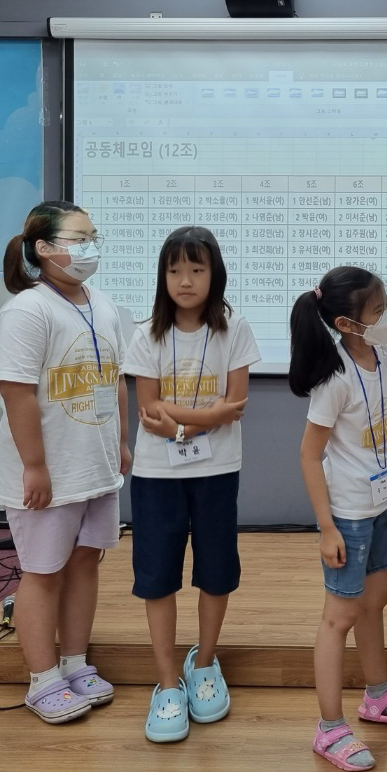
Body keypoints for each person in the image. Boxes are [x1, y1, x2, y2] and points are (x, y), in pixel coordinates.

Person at [0, 200, 129, 724]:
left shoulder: (104, 304)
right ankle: (42, 678)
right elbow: (16, 392)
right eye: (78, 238)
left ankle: (74, 662)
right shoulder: (28, 309)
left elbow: (116, 379)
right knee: (43, 572)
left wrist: (121, 442)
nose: (89, 248)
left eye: (93, 237)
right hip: (48, 471)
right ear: (44, 248)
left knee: (86, 562)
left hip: (94, 464)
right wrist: (35, 466)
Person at [122, 226, 259, 743]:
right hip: (157, 474)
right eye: (175, 270)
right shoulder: (147, 334)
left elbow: (237, 403)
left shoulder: (234, 328)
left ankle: (203, 664)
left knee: (216, 571)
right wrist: (210, 416)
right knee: (157, 575)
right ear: (163, 276)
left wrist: (182, 425)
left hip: (217, 470)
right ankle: (166, 683)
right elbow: (148, 407)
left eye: (196, 269)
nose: (185, 280)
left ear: (214, 274)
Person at [289, 267, 387, 772]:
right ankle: (329, 728)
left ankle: (378, 695)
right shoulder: (335, 379)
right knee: (339, 616)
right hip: (346, 512)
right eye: (378, 310)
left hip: (379, 501)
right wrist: (327, 527)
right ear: (346, 323)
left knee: (376, 598)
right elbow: (309, 455)